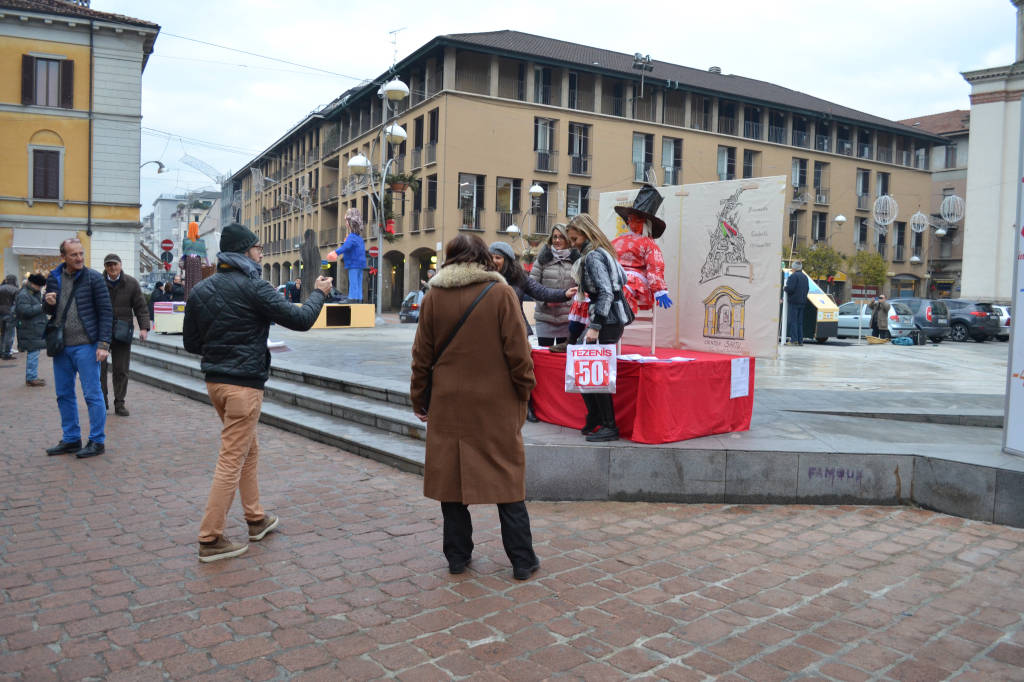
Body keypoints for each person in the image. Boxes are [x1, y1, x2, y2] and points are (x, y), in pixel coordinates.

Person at [183, 223, 332, 563]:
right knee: (232, 458)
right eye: (257, 248)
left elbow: (192, 343)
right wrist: (319, 291)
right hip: (244, 385)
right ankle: (211, 537)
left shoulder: (201, 289)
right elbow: (301, 319)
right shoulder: (255, 286)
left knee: (248, 450)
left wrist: (226, 344)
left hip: (216, 383)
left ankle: (255, 518)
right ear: (243, 251)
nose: (261, 252)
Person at [410, 234, 540, 581]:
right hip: (495, 404)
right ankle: (522, 560)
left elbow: (421, 357)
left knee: (451, 484)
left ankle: (457, 557)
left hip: (449, 403)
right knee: (508, 482)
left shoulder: (434, 296)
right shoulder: (500, 294)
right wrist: (526, 390)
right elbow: (519, 353)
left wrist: (419, 398)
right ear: (483, 256)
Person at [489, 241, 575, 423]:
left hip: (518, 331)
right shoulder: (484, 278)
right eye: (491, 257)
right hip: (491, 334)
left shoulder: (519, 278)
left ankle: (527, 407)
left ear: (507, 260)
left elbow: (541, 292)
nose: (493, 261)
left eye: (497, 257)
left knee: (523, 370)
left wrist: (564, 294)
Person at [565, 214, 633, 443]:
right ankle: (597, 417)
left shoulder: (593, 256)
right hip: (611, 318)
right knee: (587, 366)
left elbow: (605, 291)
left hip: (606, 320)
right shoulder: (604, 252)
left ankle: (608, 424)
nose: (572, 243)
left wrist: (594, 326)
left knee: (595, 371)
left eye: (574, 239)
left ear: (585, 234)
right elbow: (620, 282)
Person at [43, 238, 112, 459]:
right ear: (63, 257)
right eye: (73, 255)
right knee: (63, 394)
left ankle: (97, 441)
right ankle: (71, 438)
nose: (79, 258)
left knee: (92, 394)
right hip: (62, 347)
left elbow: (106, 312)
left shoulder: (93, 278)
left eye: (81, 253)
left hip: (87, 346)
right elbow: (49, 310)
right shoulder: (54, 278)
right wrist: (48, 303)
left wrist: (103, 344)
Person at [101, 254, 150, 416]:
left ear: (120, 265)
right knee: (99, 370)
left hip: (122, 332)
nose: (112, 268)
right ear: (105, 267)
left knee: (121, 370)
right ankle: (102, 402)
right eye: (109, 265)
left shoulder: (131, 283)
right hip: (102, 332)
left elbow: (141, 307)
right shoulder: (98, 282)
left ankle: (120, 403)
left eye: (115, 264)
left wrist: (144, 328)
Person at [612, 184, 674, 314]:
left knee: (623, 287)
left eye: (637, 220)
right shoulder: (616, 241)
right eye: (631, 219)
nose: (632, 223)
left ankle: (618, 319)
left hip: (635, 281)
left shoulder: (649, 245)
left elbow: (654, 267)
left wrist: (659, 289)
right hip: (615, 276)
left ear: (646, 223)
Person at [528, 224, 580, 346]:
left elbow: (582, 288)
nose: (557, 240)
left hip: (568, 319)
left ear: (568, 239)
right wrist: (544, 302)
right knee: (545, 357)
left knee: (563, 360)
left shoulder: (577, 261)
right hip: (545, 318)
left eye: (561, 237)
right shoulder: (542, 260)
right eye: (554, 237)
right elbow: (531, 286)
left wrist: (571, 302)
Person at [14, 273, 48, 386]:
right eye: (39, 286)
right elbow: (25, 311)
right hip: (29, 329)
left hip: (34, 328)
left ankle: (32, 376)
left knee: (34, 353)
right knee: (33, 353)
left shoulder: (34, 293)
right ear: (33, 284)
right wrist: (41, 306)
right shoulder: (24, 294)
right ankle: (31, 377)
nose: (40, 288)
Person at [333, 208, 366, 303]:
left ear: (351, 222)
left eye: (346, 221)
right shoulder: (359, 238)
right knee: (358, 282)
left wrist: (335, 252)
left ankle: (352, 298)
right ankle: (359, 298)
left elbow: (345, 247)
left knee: (353, 282)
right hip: (360, 263)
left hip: (353, 263)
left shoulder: (351, 237)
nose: (346, 223)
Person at [784, 261, 810, 346]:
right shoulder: (805, 277)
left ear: (794, 268)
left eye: (792, 267)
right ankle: (800, 341)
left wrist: (785, 288)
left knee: (793, 321)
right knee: (799, 322)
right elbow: (807, 289)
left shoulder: (793, 276)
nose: (792, 269)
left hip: (794, 302)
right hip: (802, 302)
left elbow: (790, 289)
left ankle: (794, 340)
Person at [0, 274, 18, 359]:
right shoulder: (15, 289)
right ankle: (7, 353)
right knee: (9, 334)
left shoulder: (1, 288)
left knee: (2, 334)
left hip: (1, 313)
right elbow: (17, 303)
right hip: (10, 314)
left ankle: (1, 351)